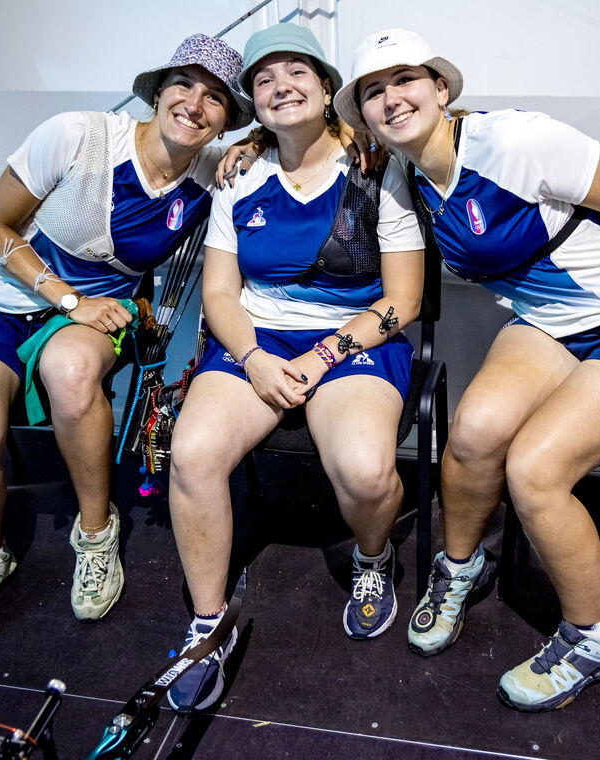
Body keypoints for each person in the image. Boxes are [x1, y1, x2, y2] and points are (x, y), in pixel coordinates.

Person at [336, 29, 600, 711]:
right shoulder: (403, 175)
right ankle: (458, 571)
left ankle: (593, 642)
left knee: (534, 469)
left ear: (441, 88)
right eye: (374, 93)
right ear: (362, 116)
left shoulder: (513, 141)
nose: (393, 100)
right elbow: (300, 135)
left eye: (406, 81)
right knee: (472, 434)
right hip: (547, 326)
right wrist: (242, 148)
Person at [0, 34, 254, 635]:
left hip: (98, 312)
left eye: (216, 98)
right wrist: (67, 298)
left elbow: (301, 145)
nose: (195, 103)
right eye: (183, 85)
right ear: (157, 93)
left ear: (225, 123)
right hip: (0, 302)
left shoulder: (216, 172)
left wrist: (260, 138)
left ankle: (95, 533)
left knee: (71, 372)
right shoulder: (77, 136)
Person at [163, 23, 424, 713]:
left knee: (368, 471)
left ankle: (373, 560)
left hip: (353, 341)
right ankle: (206, 625)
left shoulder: (376, 164)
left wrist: (323, 354)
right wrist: (250, 357)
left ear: (327, 86)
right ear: (253, 101)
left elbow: (406, 299)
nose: (281, 86)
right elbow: (218, 295)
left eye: (297, 72)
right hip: (256, 342)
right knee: (191, 454)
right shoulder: (240, 170)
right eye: (264, 79)